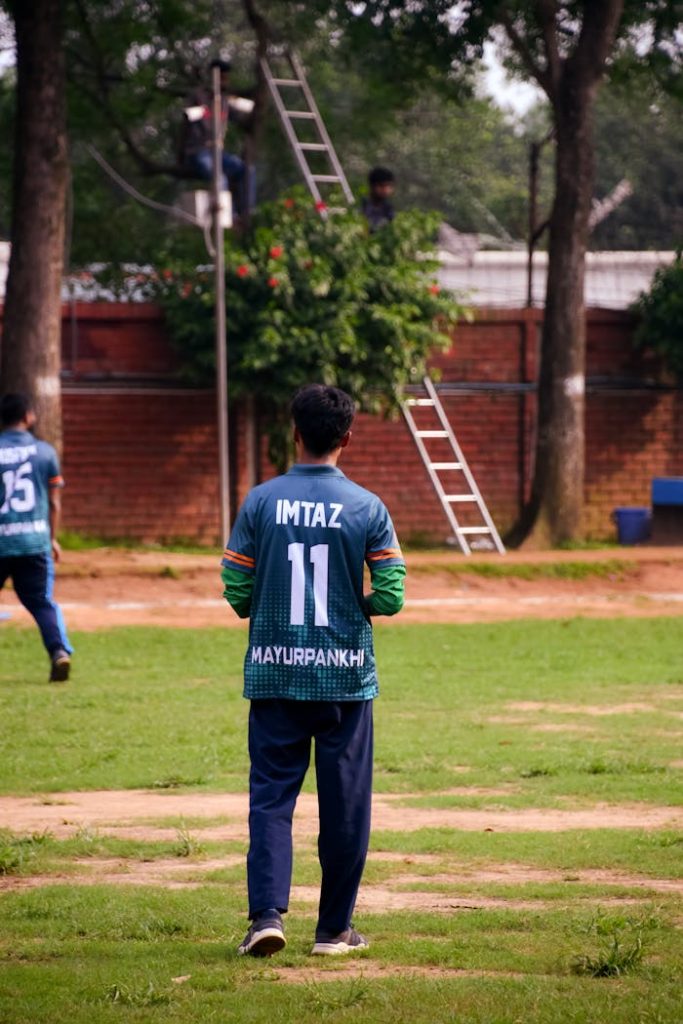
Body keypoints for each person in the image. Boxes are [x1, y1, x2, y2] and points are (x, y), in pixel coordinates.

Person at [221, 384, 405, 957]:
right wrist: (358, 606)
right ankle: (333, 930)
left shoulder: (260, 501)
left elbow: (236, 587)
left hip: (275, 674)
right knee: (346, 803)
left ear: (293, 433)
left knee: (272, 798)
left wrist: (264, 605)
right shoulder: (368, 507)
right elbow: (392, 595)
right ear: (346, 438)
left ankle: (266, 917)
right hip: (345, 679)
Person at [0, 393, 72, 682]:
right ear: (28, 416)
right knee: (42, 602)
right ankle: (58, 652)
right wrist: (51, 538)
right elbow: (54, 503)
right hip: (34, 541)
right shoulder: (44, 452)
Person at [179, 58, 255, 215]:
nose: (226, 81)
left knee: (247, 170)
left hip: (218, 152)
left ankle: (246, 212)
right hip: (199, 151)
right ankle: (228, 217)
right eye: (223, 77)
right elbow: (188, 117)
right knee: (219, 178)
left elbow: (242, 113)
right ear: (215, 76)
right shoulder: (198, 96)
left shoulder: (225, 100)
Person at [361, 166, 395, 231]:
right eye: (382, 186)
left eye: (389, 186)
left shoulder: (388, 208)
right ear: (372, 186)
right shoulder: (363, 205)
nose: (386, 190)